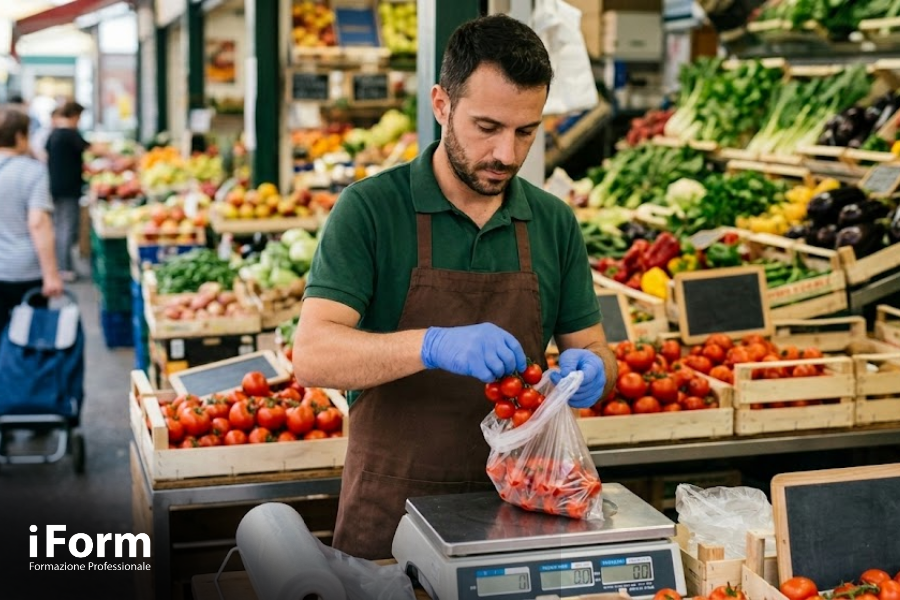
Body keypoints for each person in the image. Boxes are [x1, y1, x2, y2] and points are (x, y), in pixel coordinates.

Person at [292, 14, 617, 560]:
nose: (507, 155)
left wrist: (596, 372)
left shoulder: (554, 223)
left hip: (520, 514)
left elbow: (594, 347)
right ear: (441, 105)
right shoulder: (371, 210)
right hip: (391, 521)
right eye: (487, 128)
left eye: (526, 131)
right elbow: (312, 354)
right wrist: (431, 344)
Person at [0, 105, 63, 333]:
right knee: (27, 338)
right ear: (19, 136)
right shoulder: (32, 172)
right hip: (23, 271)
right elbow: (38, 223)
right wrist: (51, 274)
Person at [45, 101, 90, 282]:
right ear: (74, 116)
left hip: (55, 187)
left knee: (59, 226)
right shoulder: (70, 135)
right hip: (68, 189)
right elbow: (89, 148)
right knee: (67, 228)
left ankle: (61, 265)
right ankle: (64, 268)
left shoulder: (54, 134)